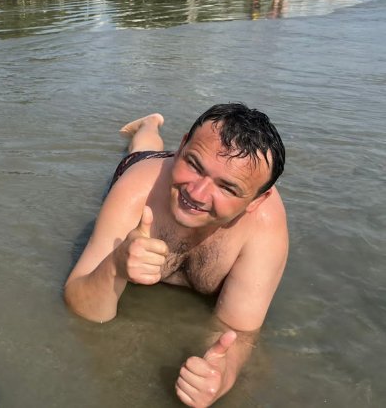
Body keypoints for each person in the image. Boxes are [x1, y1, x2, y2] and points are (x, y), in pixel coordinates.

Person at [64, 104, 287, 407]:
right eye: (194, 164)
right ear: (182, 146)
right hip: (145, 167)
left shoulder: (264, 226)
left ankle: (154, 128)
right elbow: (82, 306)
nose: (196, 193)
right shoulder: (137, 190)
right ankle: (149, 126)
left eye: (227, 187)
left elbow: (239, 332)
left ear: (257, 200)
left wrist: (222, 374)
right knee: (142, 149)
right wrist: (115, 265)